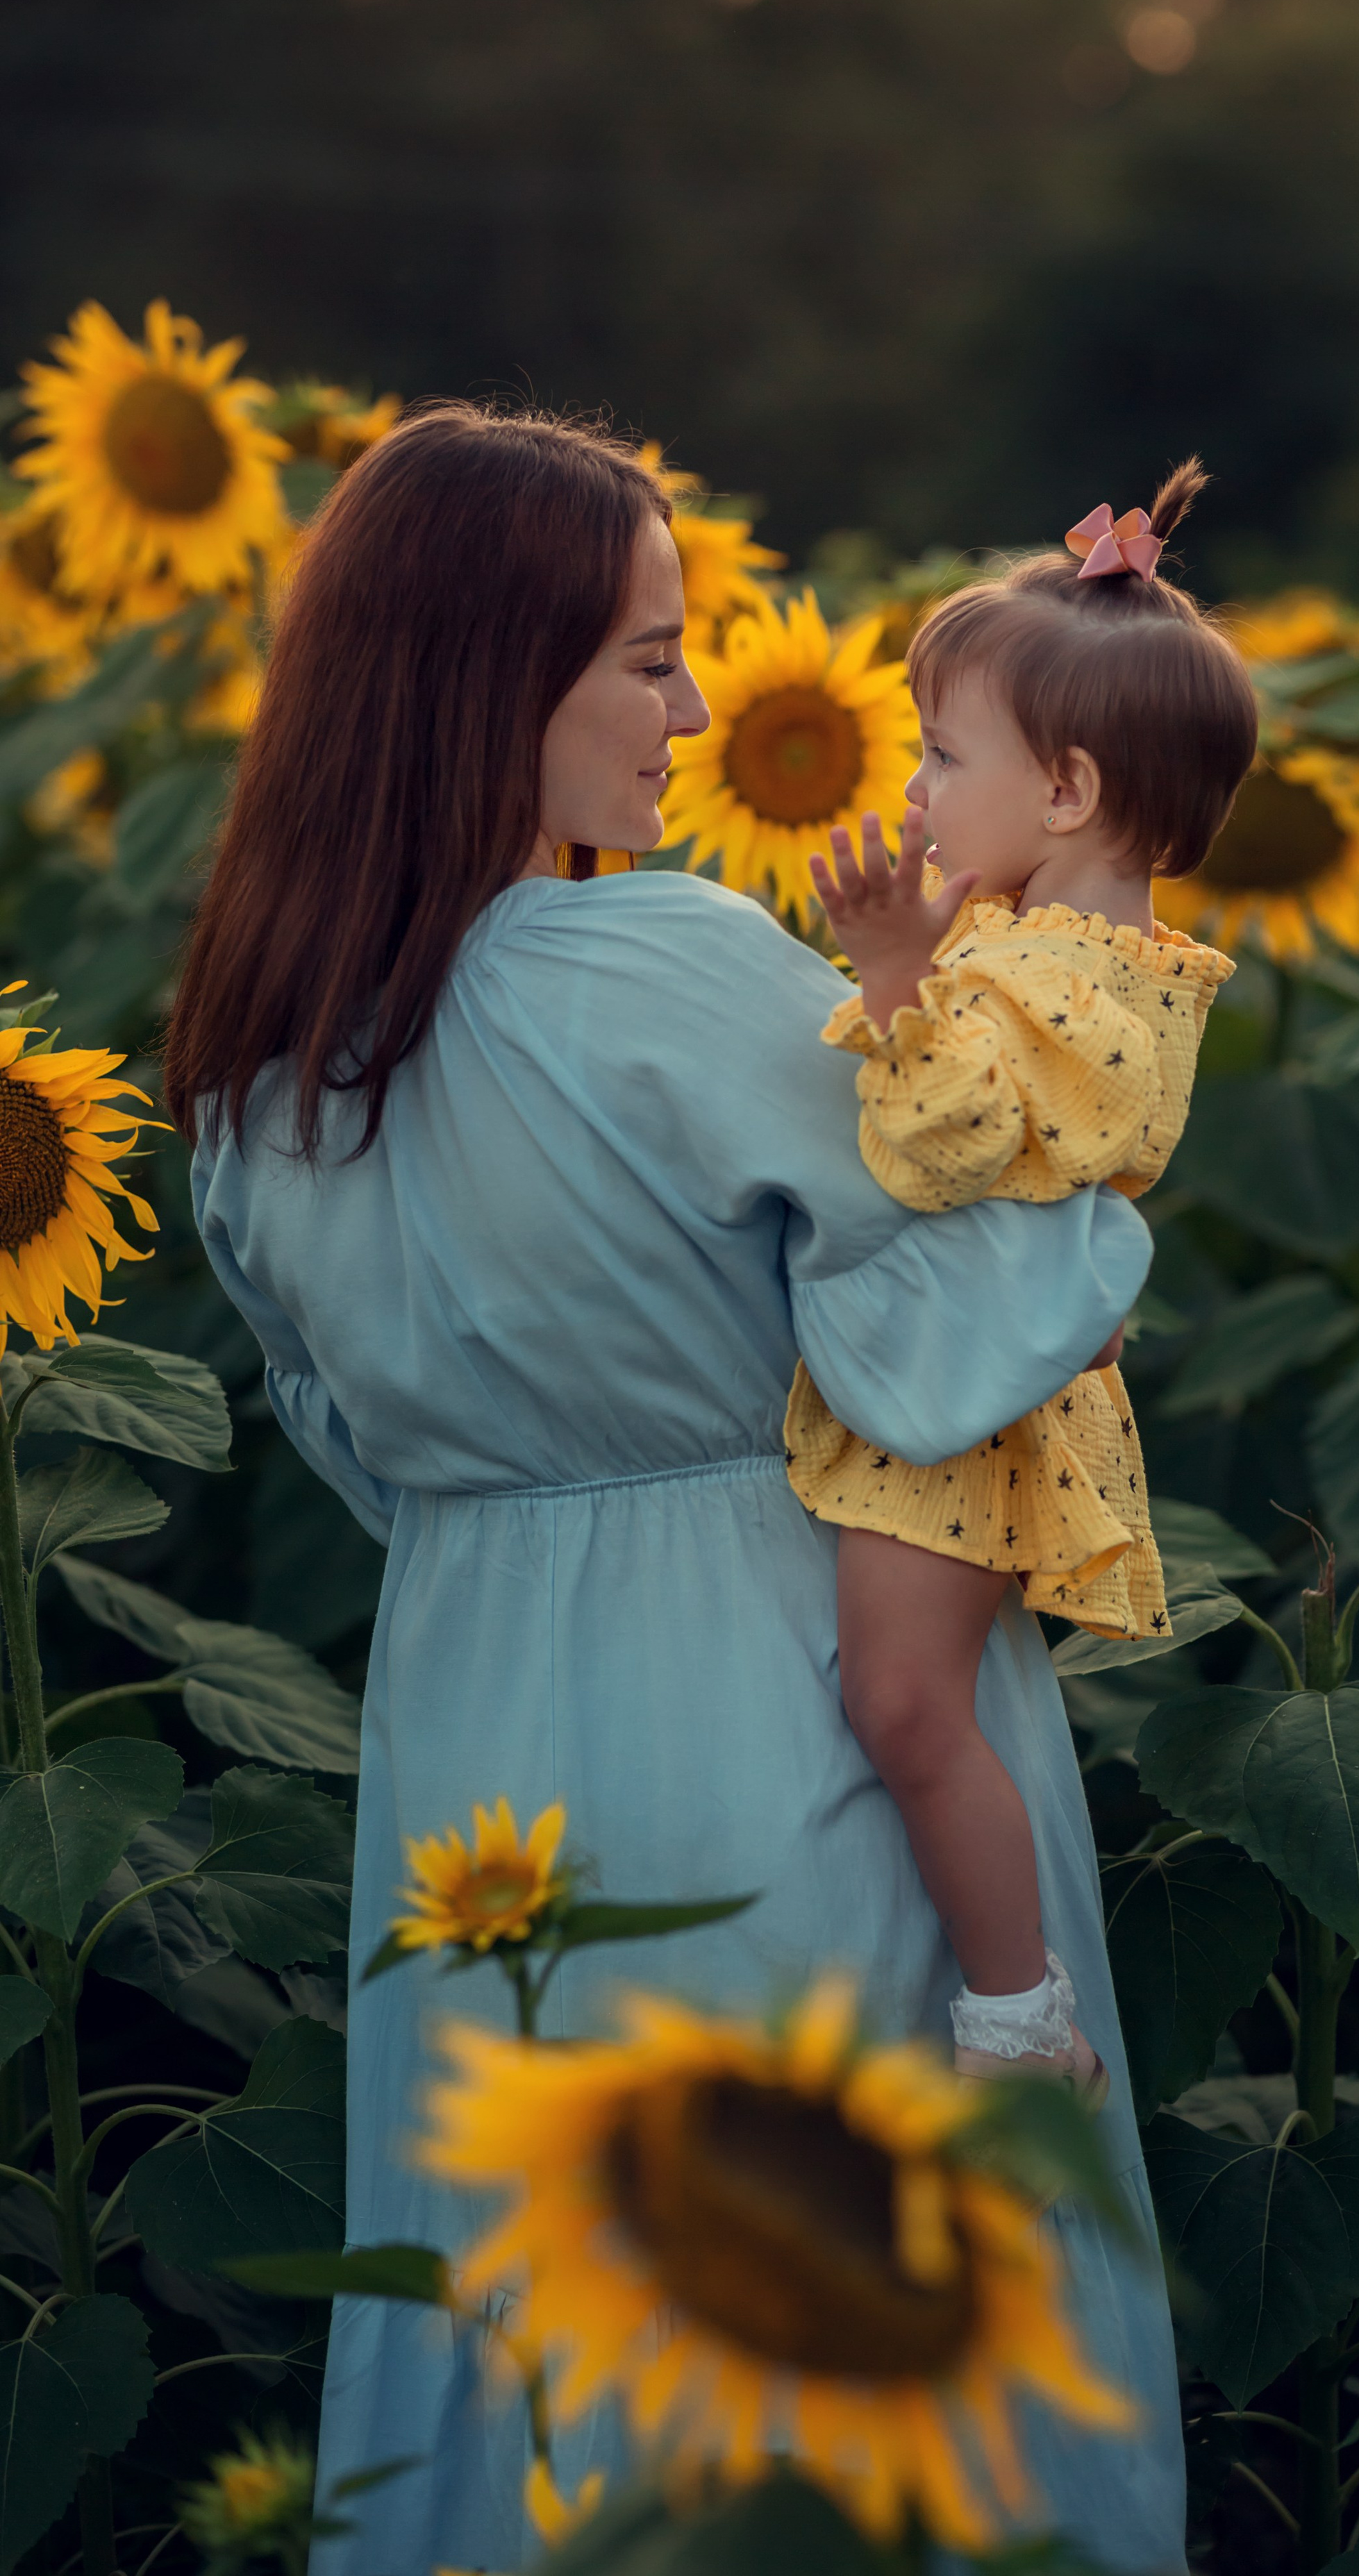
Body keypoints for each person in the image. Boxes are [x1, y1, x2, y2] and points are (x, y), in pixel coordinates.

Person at [161, 405, 1189, 2574]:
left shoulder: (259, 1062)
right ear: (488, 675)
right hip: (787, 1682)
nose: (699, 710)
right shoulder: (667, 970)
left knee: (521, 2309)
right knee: (867, 2346)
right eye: (649, 657)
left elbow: (350, 1444)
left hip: (470, 1729)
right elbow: (980, 1291)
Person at [794, 477, 1257, 2098]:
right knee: (915, 1703)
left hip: (957, 1409)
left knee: (903, 1708)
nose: (913, 791)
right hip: (972, 1379)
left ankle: (1015, 2019)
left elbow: (942, 1146)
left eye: (939, 756)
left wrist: (887, 974)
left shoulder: (1056, 986)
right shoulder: (1059, 951)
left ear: (1064, 791)